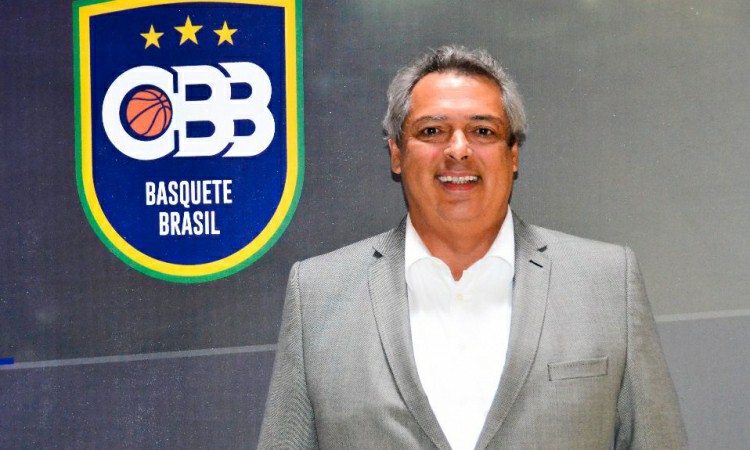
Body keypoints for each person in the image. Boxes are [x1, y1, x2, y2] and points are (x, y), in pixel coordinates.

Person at [258, 45, 687, 449]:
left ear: (513, 153)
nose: (458, 150)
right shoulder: (318, 293)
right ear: (396, 153)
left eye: (483, 131)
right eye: (432, 131)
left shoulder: (607, 282)